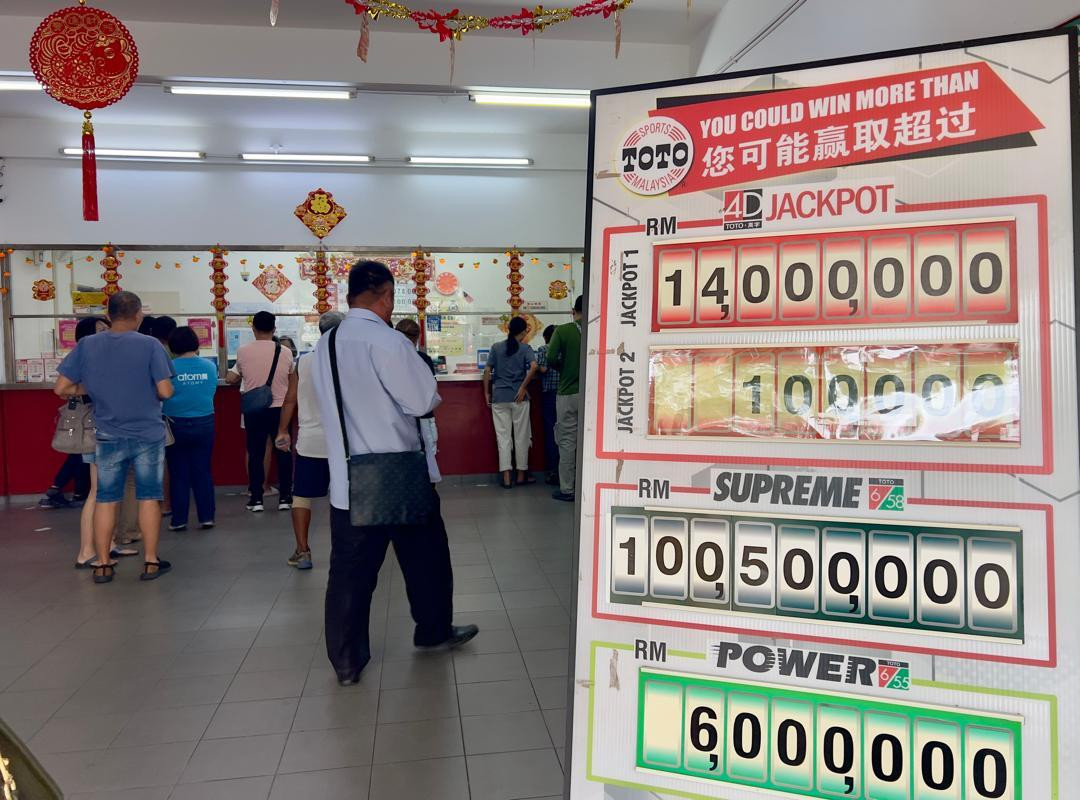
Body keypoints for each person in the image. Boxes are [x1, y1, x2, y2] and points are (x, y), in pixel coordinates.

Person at [312, 260, 477, 685]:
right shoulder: (388, 342)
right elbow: (422, 401)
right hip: (401, 476)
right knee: (427, 560)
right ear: (386, 295)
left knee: (349, 575)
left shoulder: (326, 344)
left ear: (350, 294)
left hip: (350, 483)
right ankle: (433, 630)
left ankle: (347, 663)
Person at [54, 291, 175, 584]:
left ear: (108, 315)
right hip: (147, 433)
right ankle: (150, 562)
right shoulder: (150, 345)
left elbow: (61, 388)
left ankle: (103, 564)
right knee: (149, 497)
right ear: (139, 315)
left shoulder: (87, 344)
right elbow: (165, 391)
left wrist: (94, 389)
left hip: (107, 433)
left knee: (106, 498)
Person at [276, 311, 344, 570]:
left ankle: (303, 551)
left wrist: (283, 430)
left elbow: (290, 399)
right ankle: (347, 550)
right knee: (344, 497)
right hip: (344, 443)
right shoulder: (350, 360)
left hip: (311, 441)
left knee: (302, 496)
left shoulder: (303, 362)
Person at [226, 310, 294, 513]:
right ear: (274, 328)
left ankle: (256, 499)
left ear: (253, 328)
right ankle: (285, 498)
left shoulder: (243, 351)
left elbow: (231, 378)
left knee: (256, 453)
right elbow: (292, 378)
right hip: (280, 410)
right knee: (283, 452)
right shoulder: (285, 351)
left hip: (254, 410)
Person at [163, 326, 218, 531]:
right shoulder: (210, 366)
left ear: (172, 346)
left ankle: (179, 520)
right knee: (202, 471)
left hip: (174, 423)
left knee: (178, 473)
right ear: (196, 343)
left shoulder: (168, 367)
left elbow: (162, 393)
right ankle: (207, 517)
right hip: (205, 422)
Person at [483, 316, 538, 489]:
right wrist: (523, 387)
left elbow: (487, 370)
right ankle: (521, 476)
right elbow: (534, 366)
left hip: (499, 398)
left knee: (503, 439)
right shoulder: (525, 348)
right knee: (522, 437)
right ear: (522, 332)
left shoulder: (496, 347)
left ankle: (506, 477)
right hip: (519, 399)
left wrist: (486, 392)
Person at [394, 318, 441, 484]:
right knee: (428, 457)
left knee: (403, 458)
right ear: (417, 337)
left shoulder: (390, 359)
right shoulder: (423, 359)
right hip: (424, 416)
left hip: (400, 416)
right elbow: (432, 390)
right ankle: (426, 491)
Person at [547, 294, 583, 502]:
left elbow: (551, 357)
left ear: (573, 311)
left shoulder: (562, 330)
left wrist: (564, 369)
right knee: (591, 441)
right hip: (594, 395)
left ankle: (568, 489)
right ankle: (588, 485)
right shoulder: (599, 329)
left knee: (567, 442)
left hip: (568, 393)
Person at [535, 324, 561, 486]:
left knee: (551, 433)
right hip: (564, 393)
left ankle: (552, 471)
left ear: (546, 337)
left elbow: (543, 369)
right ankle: (565, 471)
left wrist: (536, 366)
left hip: (550, 394)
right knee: (565, 434)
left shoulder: (544, 349)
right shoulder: (565, 348)